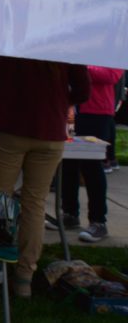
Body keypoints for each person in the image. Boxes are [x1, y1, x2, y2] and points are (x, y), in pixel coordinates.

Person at [0, 56, 90, 298]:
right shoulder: (67, 42)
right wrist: (58, 98)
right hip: (49, 128)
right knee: (34, 204)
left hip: (9, 125)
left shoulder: (5, 36)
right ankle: (24, 276)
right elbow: (83, 91)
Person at [54, 65, 124, 242]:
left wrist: (78, 68)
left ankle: (98, 221)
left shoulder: (111, 47)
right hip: (71, 110)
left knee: (91, 165)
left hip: (96, 112)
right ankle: (69, 213)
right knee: (67, 163)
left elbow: (111, 75)